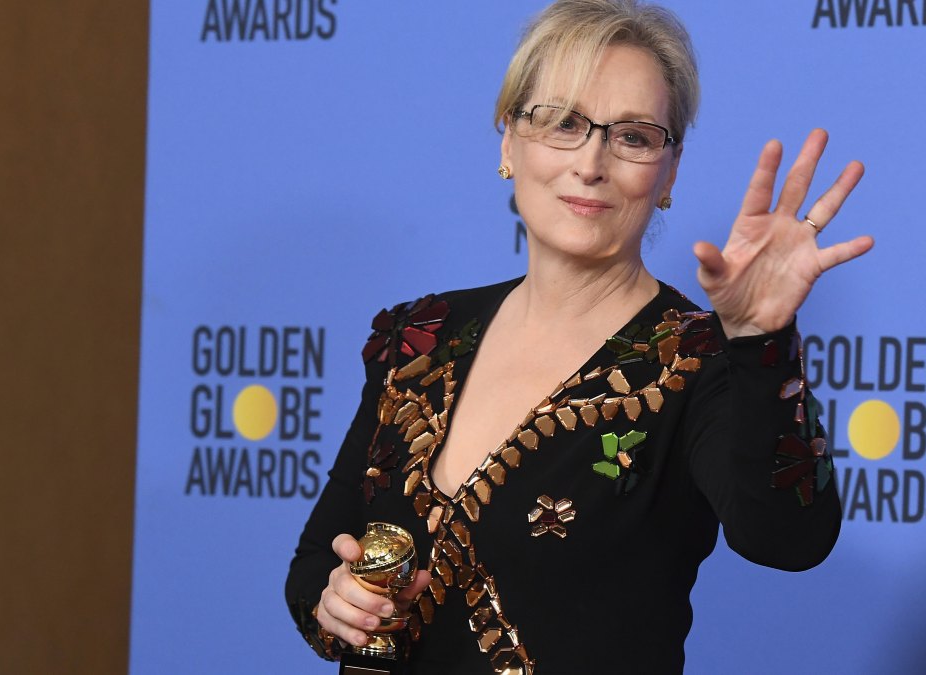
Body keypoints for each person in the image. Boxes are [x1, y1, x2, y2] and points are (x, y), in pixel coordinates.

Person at [285, 0, 872, 672]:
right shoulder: (420, 337)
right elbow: (315, 564)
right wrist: (336, 604)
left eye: (634, 136)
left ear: (669, 171)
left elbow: (789, 540)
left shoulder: (700, 362)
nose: (591, 162)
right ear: (509, 143)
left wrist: (763, 341)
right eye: (563, 122)